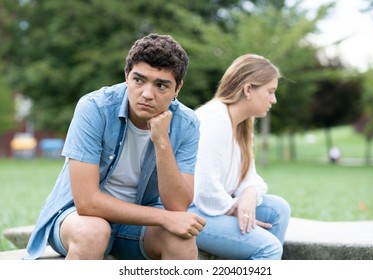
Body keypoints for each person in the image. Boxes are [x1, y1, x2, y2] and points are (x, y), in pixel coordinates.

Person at [24, 33, 206, 260]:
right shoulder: (95, 108)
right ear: (127, 76)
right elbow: (86, 202)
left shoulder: (186, 123)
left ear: (177, 88)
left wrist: (162, 141)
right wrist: (163, 218)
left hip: (136, 227)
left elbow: (178, 205)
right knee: (93, 233)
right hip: (77, 218)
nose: (147, 94)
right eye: (139, 80)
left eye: (161, 85)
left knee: (181, 241)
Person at [189, 54, 291, 260]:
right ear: (248, 90)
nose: (274, 99)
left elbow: (250, 177)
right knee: (269, 247)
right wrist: (235, 207)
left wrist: (249, 195)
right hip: (192, 210)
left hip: (214, 207)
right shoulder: (214, 119)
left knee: (278, 209)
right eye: (270, 92)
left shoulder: (242, 125)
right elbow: (205, 189)